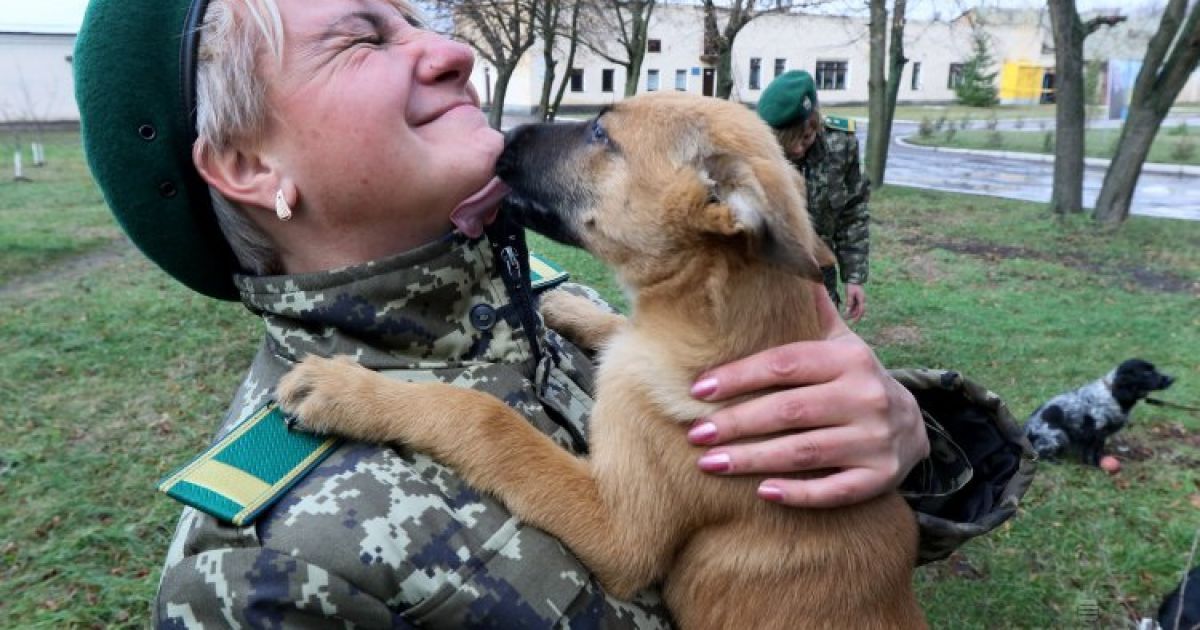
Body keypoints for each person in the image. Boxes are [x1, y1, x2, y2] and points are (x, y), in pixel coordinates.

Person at [73, 0, 1034, 626]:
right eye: (366, 36)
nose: (451, 48)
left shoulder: (547, 296)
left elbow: (798, 552)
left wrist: (909, 441)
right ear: (250, 167)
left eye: (421, 18)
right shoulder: (260, 570)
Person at [758, 70, 870, 323]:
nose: (797, 148)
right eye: (788, 143)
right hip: (770, 279)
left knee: (820, 348)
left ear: (815, 120)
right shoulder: (758, 154)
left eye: (805, 137)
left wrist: (854, 277)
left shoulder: (841, 144)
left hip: (821, 278)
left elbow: (853, 213)